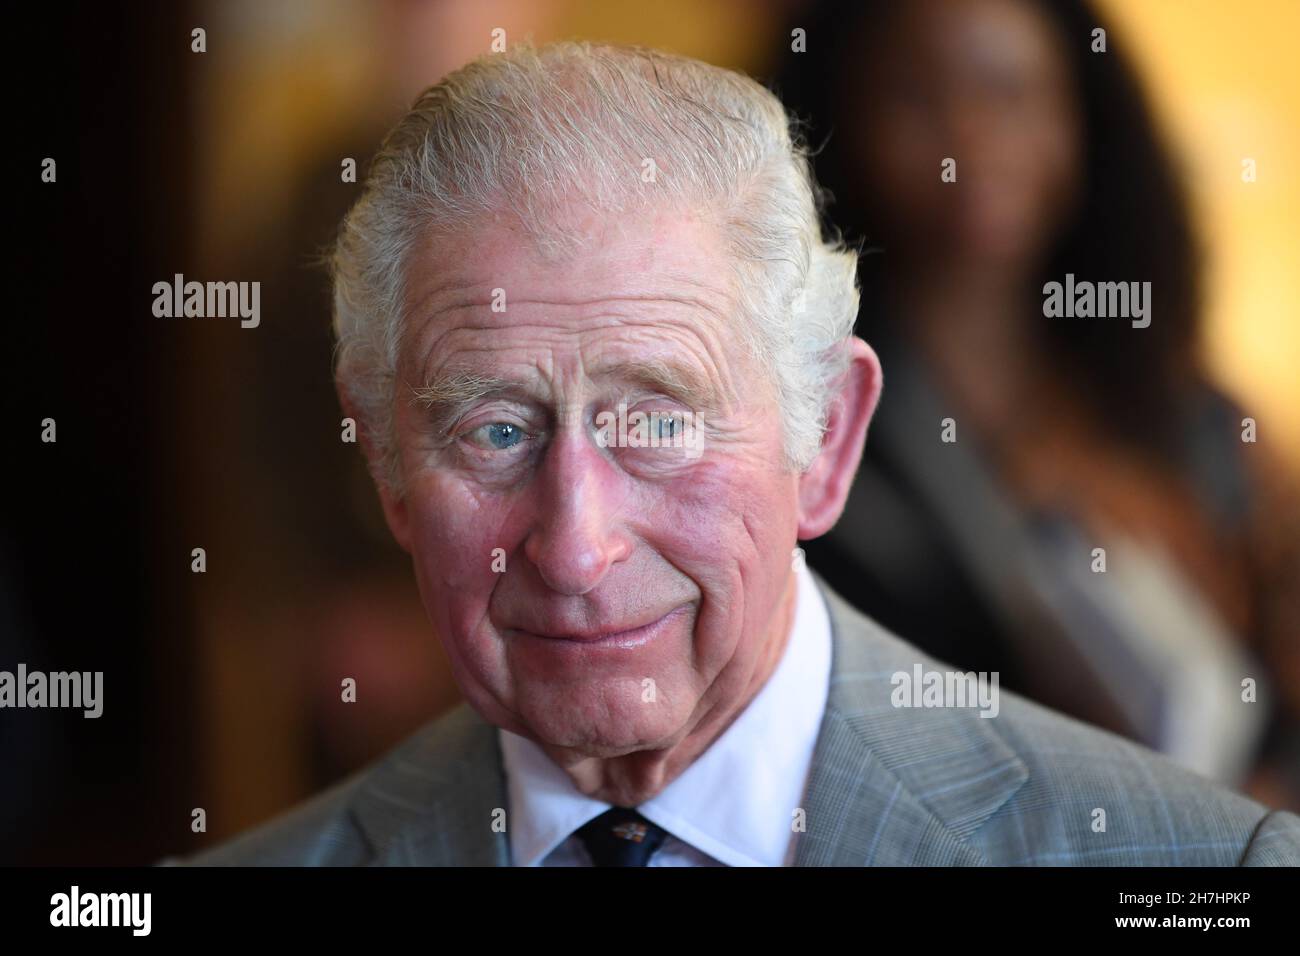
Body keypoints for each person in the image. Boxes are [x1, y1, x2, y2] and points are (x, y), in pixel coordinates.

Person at [173, 41, 1299, 866]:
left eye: (659, 421)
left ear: (825, 438)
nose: (574, 546)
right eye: (496, 429)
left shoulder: (1198, 866)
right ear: (384, 467)